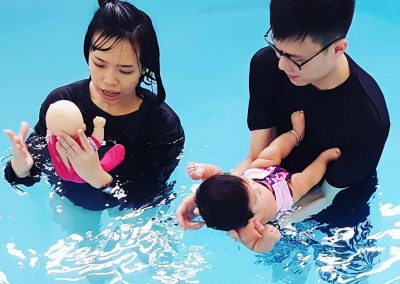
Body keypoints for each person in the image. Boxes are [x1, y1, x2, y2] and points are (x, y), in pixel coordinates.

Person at [177, 0, 390, 230]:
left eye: (297, 60)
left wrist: (264, 221)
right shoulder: (266, 65)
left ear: (338, 49)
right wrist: (218, 200)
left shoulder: (369, 120)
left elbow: (324, 197)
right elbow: (256, 158)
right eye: (278, 50)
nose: (281, 65)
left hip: (339, 203)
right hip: (270, 191)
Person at [4, 0, 184, 210]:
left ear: (145, 68)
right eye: (99, 63)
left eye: (125, 70)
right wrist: (21, 170)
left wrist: (99, 178)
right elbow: (41, 165)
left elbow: (150, 196)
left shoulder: (161, 125)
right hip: (72, 200)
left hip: (128, 217)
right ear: (87, 54)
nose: (109, 80)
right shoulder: (62, 104)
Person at [182, 111, 341, 252]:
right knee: (306, 179)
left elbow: (216, 174)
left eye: (245, 182)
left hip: (259, 171)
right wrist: (267, 239)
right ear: (250, 219)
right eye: (256, 195)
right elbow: (257, 246)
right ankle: (324, 159)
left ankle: (296, 134)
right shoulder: (247, 229)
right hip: (284, 192)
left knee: (271, 151)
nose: (256, 187)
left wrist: (202, 170)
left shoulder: (237, 187)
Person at [46, 100, 125, 183]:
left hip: (62, 174)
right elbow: (96, 142)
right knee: (117, 152)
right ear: (83, 127)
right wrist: (99, 127)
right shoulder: (82, 143)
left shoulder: (51, 139)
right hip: (84, 175)